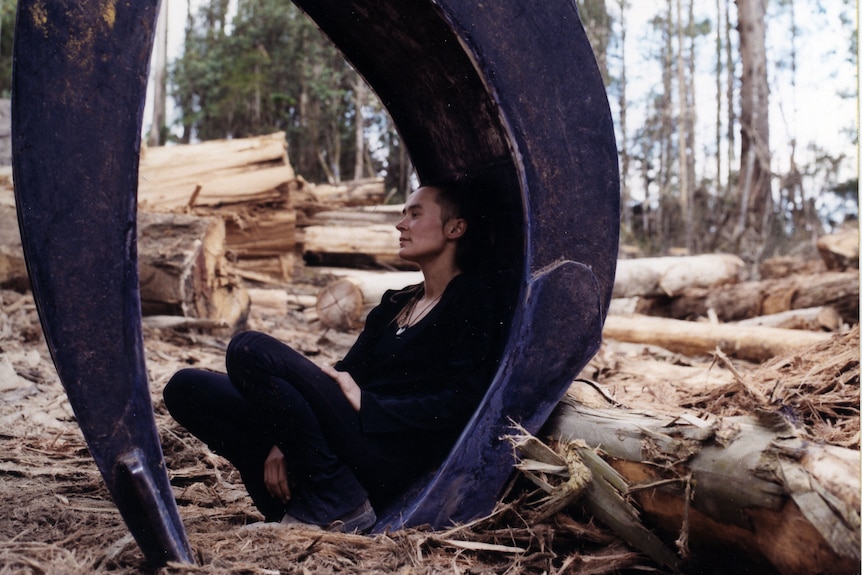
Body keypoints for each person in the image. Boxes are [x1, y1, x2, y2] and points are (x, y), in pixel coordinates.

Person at [163, 181, 503, 533]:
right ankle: (295, 502)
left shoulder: (471, 301)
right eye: (402, 214)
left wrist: (368, 404)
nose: (401, 224)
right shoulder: (395, 303)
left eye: (415, 214)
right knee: (186, 387)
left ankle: (338, 501)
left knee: (249, 349)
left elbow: (460, 403)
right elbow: (344, 373)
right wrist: (283, 437)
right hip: (345, 441)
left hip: (388, 454)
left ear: (455, 228)